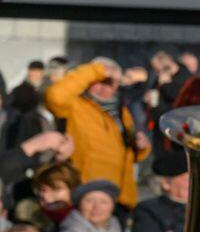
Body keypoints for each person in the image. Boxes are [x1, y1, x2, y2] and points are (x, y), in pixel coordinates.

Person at [43, 57, 141, 207]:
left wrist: (142, 147)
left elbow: (128, 153)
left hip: (117, 196)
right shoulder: (75, 105)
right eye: (99, 81)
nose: (103, 88)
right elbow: (55, 97)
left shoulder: (122, 111)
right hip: (86, 193)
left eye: (109, 83)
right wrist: (96, 70)